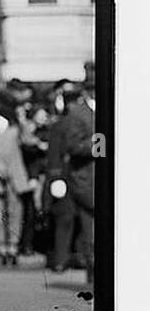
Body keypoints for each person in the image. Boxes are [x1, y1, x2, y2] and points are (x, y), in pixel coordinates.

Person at [47, 87, 95, 280]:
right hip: (74, 178)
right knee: (66, 219)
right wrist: (55, 176)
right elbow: (60, 151)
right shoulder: (67, 121)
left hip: (79, 177)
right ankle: (63, 259)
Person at [0, 98, 31, 266]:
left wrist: (23, 122)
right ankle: (2, 246)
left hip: (16, 176)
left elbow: (29, 141)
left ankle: (13, 247)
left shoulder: (15, 126)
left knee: (16, 212)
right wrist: (1, 169)